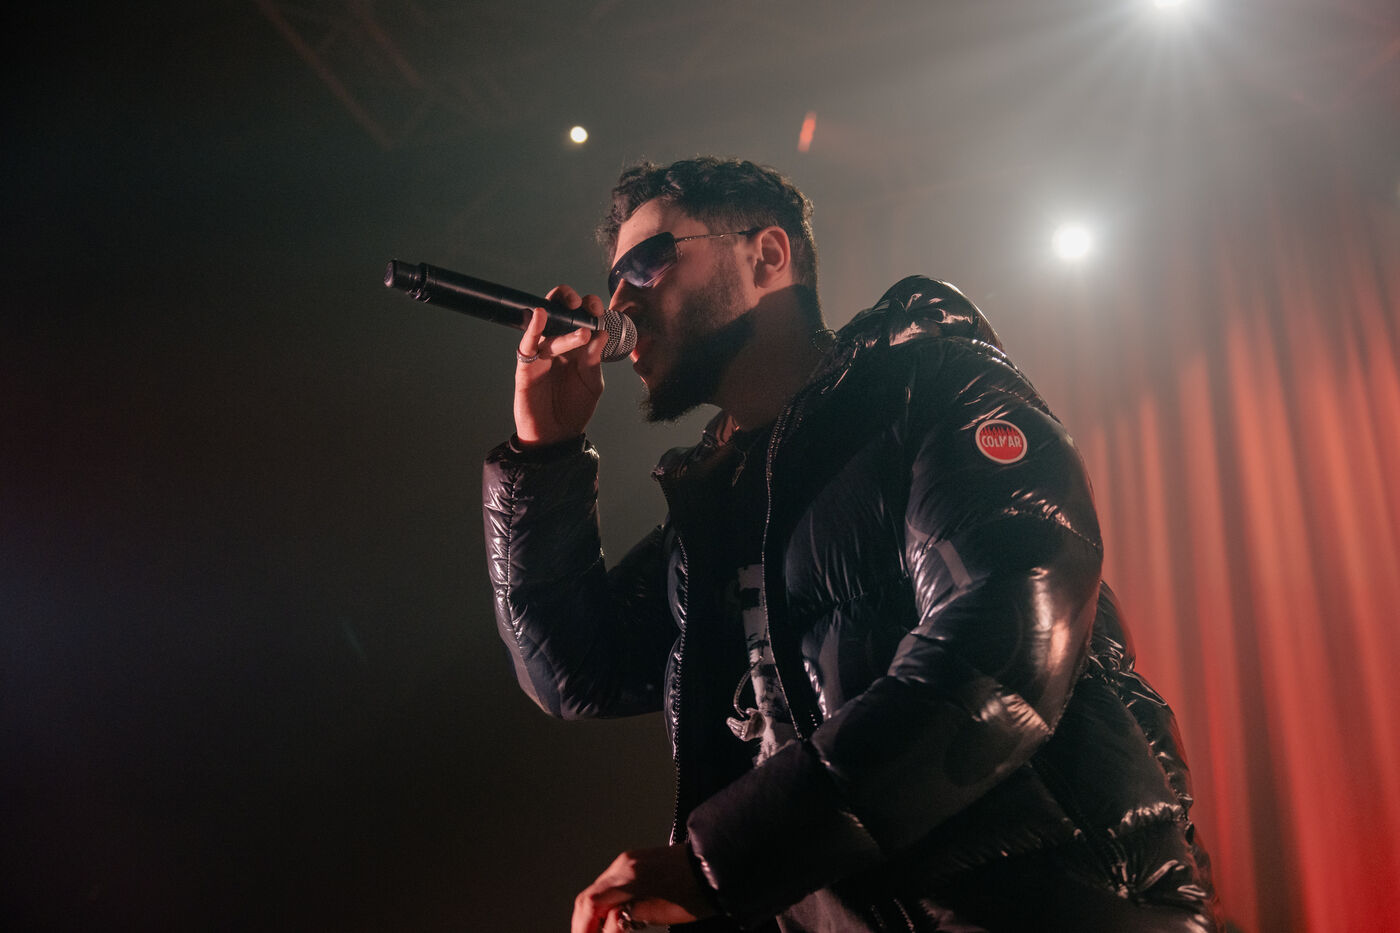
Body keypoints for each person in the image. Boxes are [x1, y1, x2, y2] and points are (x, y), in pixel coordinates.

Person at [482, 158, 1217, 932]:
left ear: (767, 255)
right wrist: (543, 452)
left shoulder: (936, 390)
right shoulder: (716, 505)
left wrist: (721, 861)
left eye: (647, 262)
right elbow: (574, 671)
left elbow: (1000, 651)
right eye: (615, 279)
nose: (621, 300)